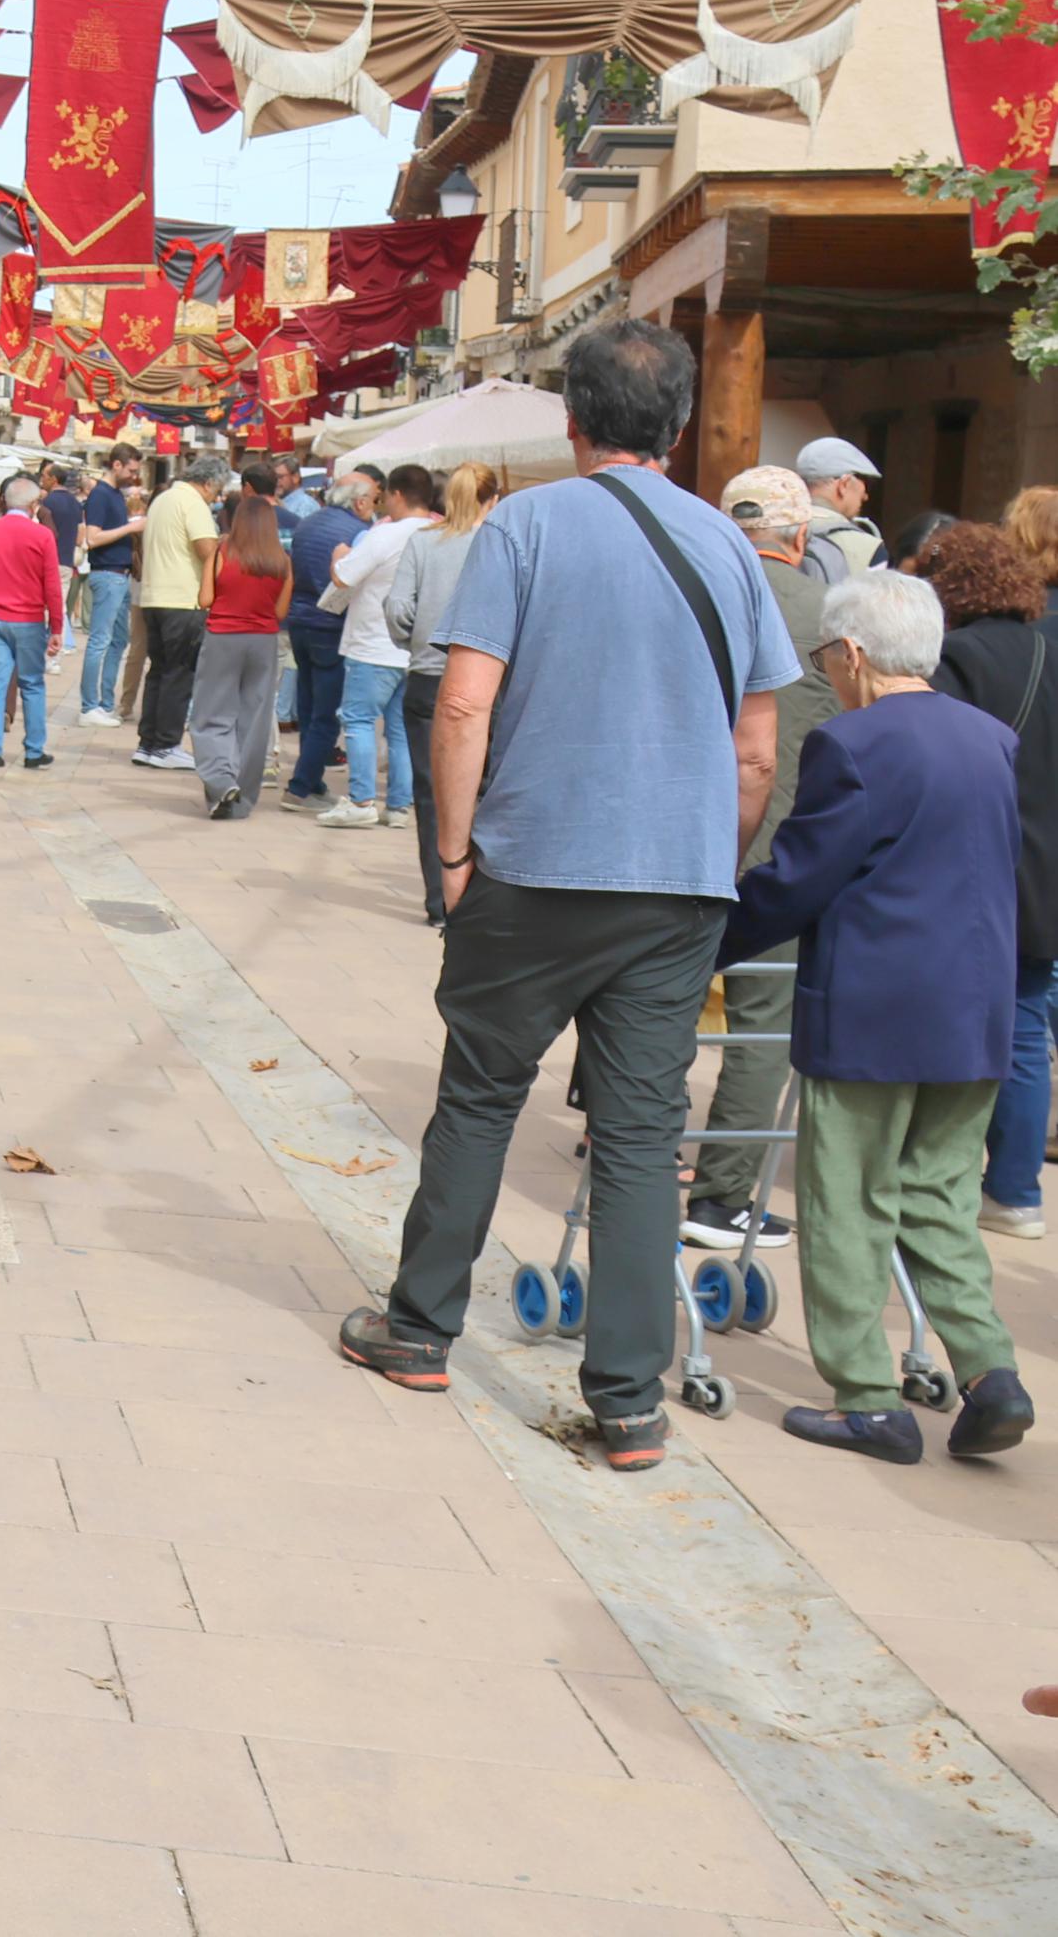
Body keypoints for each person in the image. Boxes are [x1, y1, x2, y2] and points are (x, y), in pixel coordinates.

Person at [338, 320, 796, 1475]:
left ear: (571, 417)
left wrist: (450, 852)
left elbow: (458, 704)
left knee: (481, 1094)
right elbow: (755, 752)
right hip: (675, 881)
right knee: (641, 1136)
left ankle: (419, 1327)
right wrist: (707, 856)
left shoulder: (525, 525)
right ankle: (629, 1399)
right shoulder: (733, 548)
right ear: (678, 424)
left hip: (534, 864)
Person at [722, 567, 1032, 1464]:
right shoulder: (987, 738)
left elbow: (798, 880)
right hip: (972, 1005)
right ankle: (987, 1369)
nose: (828, 670)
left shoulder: (852, 744)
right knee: (937, 1196)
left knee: (847, 1199)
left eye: (826, 654)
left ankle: (866, 1397)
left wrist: (706, 942)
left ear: (851, 652)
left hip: (873, 1006)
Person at [687, 466, 838, 1252]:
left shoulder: (687, 597)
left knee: (650, 1006)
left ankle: (620, 1156)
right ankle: (718, 1195)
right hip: (776, 846)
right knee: (758, 1027)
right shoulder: (826, 615)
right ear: (801, 536)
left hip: (669, 839)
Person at [926, 519, 1058, 1240]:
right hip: (1046, 864)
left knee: (960, 1024)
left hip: (983, 860)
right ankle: (1015, 1189)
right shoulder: (1049, 644)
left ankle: (939, 1172)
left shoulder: (957, 654)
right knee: (1025, 1026)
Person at [381, 463, 505, 924]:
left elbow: (398, 608)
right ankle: (489, 893)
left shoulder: (422, 543)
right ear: (491, 500)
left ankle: (440, 900)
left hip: (429, 676)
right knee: (491, 788)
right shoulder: (502, 544)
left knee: (433, 791)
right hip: (494, 681)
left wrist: (417, 639)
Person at [318, 466, 432, 830]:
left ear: (396, 494)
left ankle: (362, 799)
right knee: (399, 730)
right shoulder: (438, 533)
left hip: (373, 643)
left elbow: (344, 576)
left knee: (359, 720)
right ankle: (398, 805)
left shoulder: (385, 535)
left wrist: (339, 555)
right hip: (415, 648)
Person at [184, 469, 293, 819]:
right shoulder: (282, 562)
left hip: (223, 637)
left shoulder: (222, 551)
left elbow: (205, 599)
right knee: (255, 717)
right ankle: (242, 798)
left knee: (212, 713)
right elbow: (279, 611)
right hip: (263, 641)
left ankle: (220, 778)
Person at [280, 469, 372, 805]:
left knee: (307, 705)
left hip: (300, 621)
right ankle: (300, 786)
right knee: (326, 712)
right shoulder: (359, 532)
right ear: (359, 501)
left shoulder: (307, 524)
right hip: (331, 626)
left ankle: (312, 777)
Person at [128, 451, 223, 772]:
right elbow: (206, 549)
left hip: (154, 597)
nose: (216, 497)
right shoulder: (193, 503)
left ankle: (149, 742)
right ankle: (166, 744)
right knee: (179, 673)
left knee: (159, 671)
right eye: (216, 490)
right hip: (182, 599)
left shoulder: (164, 498)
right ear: (207, 483)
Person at [0, 477, 64, 770]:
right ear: (34, 504)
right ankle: (34, 749)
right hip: (28, 618)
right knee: (32, 685)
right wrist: (57, 627)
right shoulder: (41, 536)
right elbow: (52, 584)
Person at [76, 445, 145, 726]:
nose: (134, 476)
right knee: (100, 641)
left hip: (120, 575)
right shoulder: (101, 496)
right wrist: (131, 528)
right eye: (131, 470)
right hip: (106, 574)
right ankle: (89, 706)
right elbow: (93, 538)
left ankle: (104, 702)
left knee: (118, 640)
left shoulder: (115, 494)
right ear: (116, 465)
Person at [798, 437, 885, 580]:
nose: (865, 497)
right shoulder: (868, 548)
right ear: (844, 484)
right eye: (866, 483)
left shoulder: (771, 528)